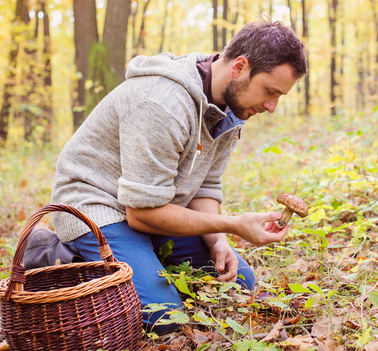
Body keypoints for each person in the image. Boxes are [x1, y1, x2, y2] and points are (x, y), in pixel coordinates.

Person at [49, 20, 308, 332]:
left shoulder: (232, 107)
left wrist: (219, 241)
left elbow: (206, 185)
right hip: (96, 208)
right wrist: (234, 224)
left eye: (279, 96)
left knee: (240, 281)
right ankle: (66, 260)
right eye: (269, 91)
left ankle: (141, 261)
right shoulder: (161, 104)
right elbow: (142, 213)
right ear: (240, 67)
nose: (271, 106)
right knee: (164, 317)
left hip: (154, 208)